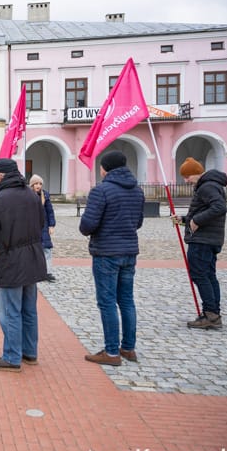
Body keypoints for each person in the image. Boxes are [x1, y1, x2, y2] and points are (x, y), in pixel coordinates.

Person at [0, 158, 46, 372]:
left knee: (9, 311)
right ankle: (29, 353)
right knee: (29, 310)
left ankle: (12, 357)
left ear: (0, 176)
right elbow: (41, 223)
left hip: (11, 261)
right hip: (32, 258)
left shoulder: (0, 199)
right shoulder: (32, 196)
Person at [79, 150, 145, 366]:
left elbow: (87, 225)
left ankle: (111, 352)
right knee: (126, 300)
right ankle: (128, 348)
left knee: (107, 302)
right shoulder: (137, 190)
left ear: (105, 168)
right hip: (129, 251)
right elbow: (138, 222)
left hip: (107, 252)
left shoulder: (102, 190)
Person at [174, 157, 227, 330]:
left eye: (187, 176)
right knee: (209, 275)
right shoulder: (211, 185)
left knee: (200, 275)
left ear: (196, 173)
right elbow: (206, 209)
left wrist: (196, 220)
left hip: (202, 240)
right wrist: (184, 219)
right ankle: (213, 313)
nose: (186, 180)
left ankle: (210, 314)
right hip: (210, 238)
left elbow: (218, 207)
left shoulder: (207, 186)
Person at [29, 175, 57, 282]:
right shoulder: (28, 195)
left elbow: (50, 211)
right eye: (36, 183)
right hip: (32, 227)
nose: (38, 186)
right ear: (32, 185)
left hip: (44, 226)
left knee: (47, 249)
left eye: (40, 184)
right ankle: (33, 271)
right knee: (33, 249)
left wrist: (51, 225)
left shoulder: (45, 195)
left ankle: (47, 272)